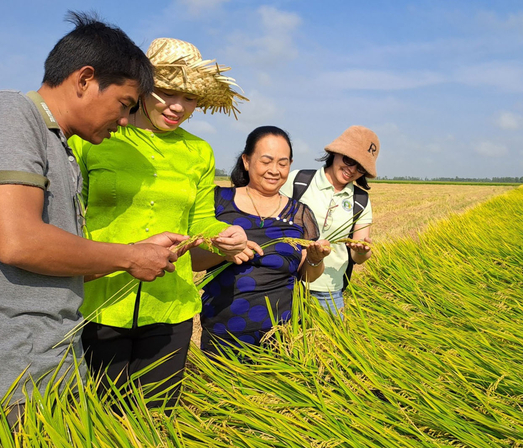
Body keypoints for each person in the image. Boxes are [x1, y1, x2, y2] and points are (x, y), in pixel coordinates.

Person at [0, 12, 191, 425]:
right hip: (18, 378)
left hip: (56, 367)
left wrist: (140, 252)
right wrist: (127, 257)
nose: (124, 121)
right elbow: (17, 241)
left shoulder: (62, 148)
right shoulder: (14, 114)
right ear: (85, 79)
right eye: (124, 104)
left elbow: (61, 266)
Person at [68, 38, 248, 407]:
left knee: (155, 419)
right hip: (99, 305)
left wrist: (224, 237)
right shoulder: (95, 138)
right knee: (97, 418)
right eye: (166, 92)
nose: (178, 107)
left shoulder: (198, 151)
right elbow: (70, 218)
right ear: (143, 86)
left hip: (170, 308)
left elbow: (201, 221)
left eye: (191, 98)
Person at [192, 126, 331, 353]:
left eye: (282, 163)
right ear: (246, 161)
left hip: (285, 335)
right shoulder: (218, 202)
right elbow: (193, 261)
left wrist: (315, 260)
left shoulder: (299, 213)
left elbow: (308, 276)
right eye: (266, 161)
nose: (274, 170)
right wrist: (223, 250)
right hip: (224, 333)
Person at [280, 126, 379, 315]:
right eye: (349, 160)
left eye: (360, 168)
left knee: (329, 345)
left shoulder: (360, 200)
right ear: (336, 153)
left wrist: (362, 251)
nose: (352, 170)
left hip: (329, 294)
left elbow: (358, 257)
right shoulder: (297, 182)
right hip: (287, 284)